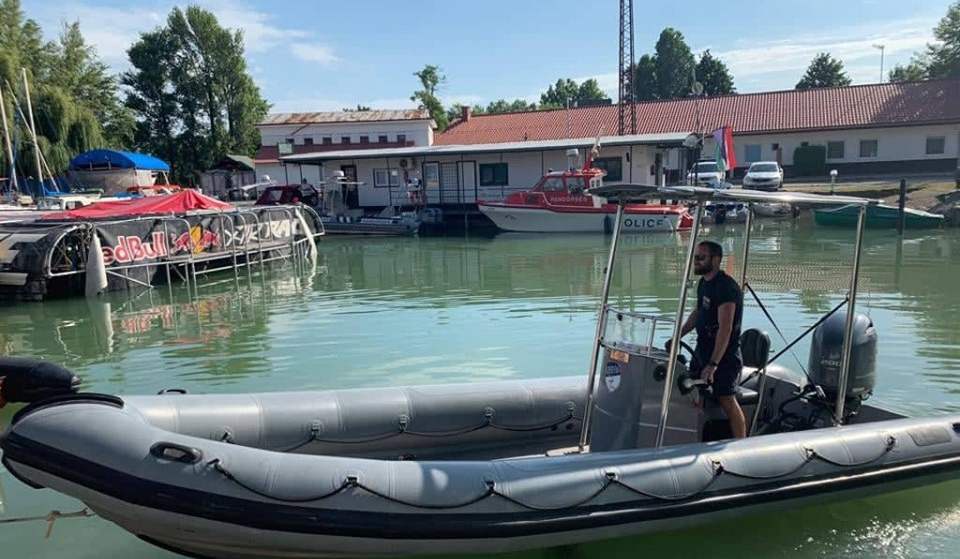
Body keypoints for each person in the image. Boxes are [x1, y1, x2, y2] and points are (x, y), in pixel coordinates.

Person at [676, 240, 746, 438]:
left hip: (725, 356)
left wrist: (713, 365)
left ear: (715, 260)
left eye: (701, 257)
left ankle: (743, 443)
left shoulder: (726, 288)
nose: (696, 261)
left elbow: (726, 328)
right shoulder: (704, 283)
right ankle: (695, 436)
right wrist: (678, 336)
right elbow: (698, 312)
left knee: (726, 399)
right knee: (692, 392)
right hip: (702, 350)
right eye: (695, 257)